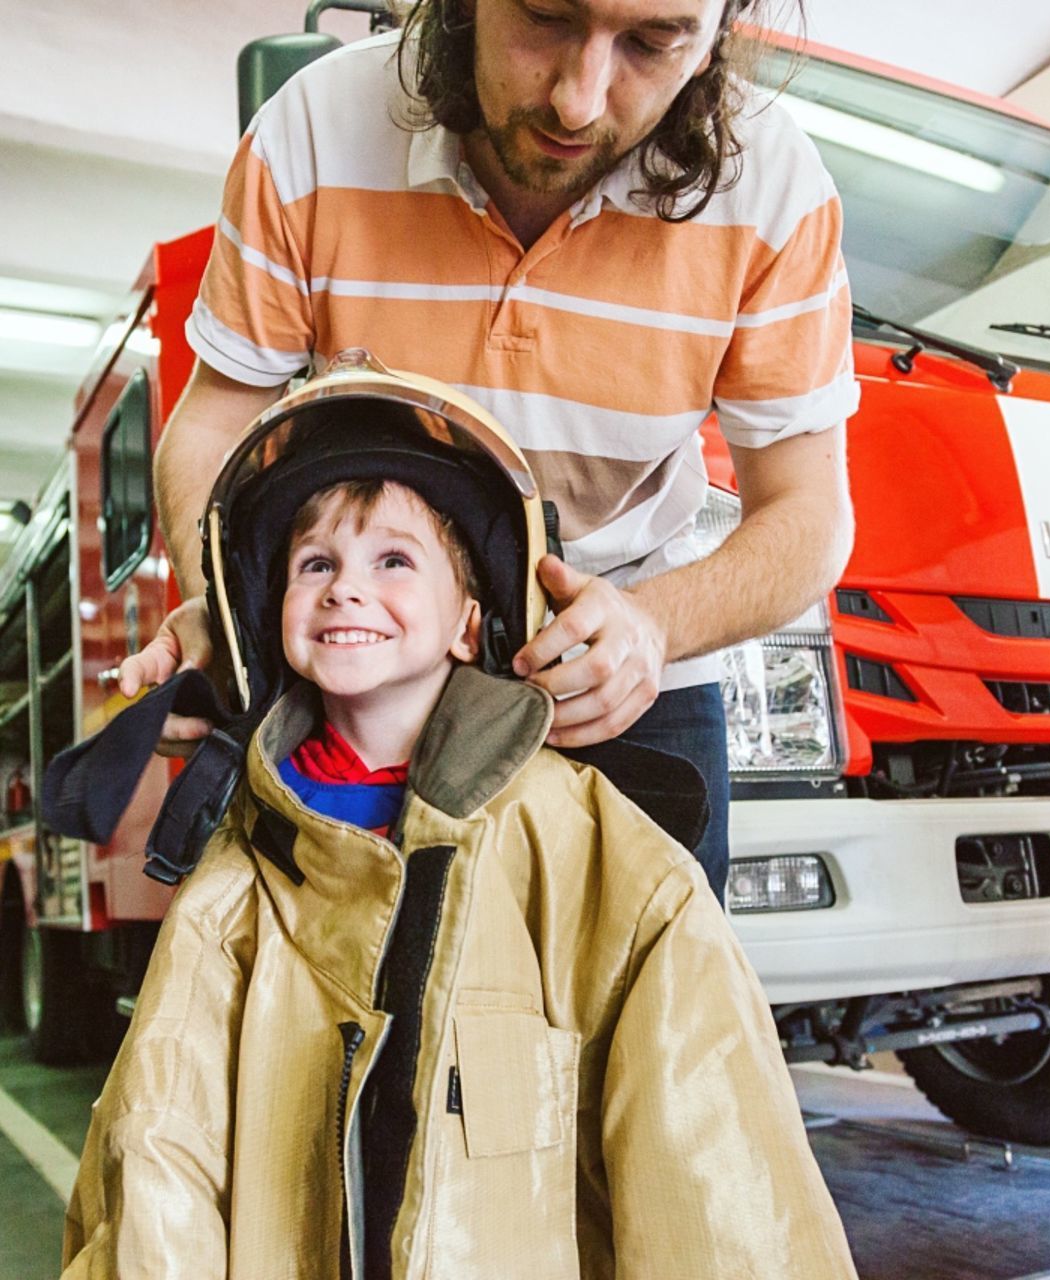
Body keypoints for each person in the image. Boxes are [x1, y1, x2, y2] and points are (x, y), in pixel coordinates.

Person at [59, 358, 858, 1279]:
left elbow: (720, 1185)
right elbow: (159, 1140)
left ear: (470, 624)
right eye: (313, 562)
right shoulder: (242, 869)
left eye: (393, 560)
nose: (343, 588)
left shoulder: (601, 865)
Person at [120, 0, 857, 902]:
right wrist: (228, 612)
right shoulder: (310, 132)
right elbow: (211, 423)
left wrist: (653, 628)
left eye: (652, 42)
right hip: (371, 680)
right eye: (545, 17)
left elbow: (809, 514)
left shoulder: (779, 189)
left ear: (717, 32)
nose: (579, 101)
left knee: (648, 1019)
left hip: (631, 685)